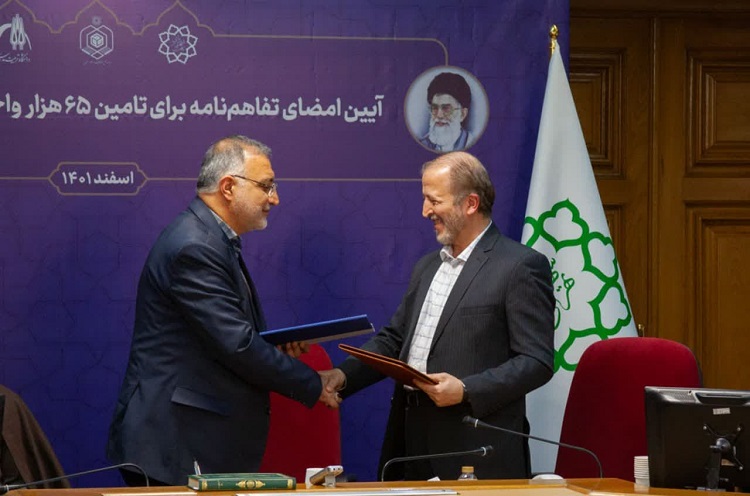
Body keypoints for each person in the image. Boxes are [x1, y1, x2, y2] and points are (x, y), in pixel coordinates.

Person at [107, 135, 339, 486]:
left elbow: (220, 337)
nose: (274, 198)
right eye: (266, 186)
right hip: (174, 446)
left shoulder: (211, 237)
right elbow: (237, 344)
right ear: (228, 187)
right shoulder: (194, 246)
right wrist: (310, 382)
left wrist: (274, 349)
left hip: (192, 441)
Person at [321, 151, 555, 480]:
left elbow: (536, 361)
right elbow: (395, 340)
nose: (425, 211)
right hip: (410, 441)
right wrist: (343, 376)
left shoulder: (520, 266)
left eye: (434, 200)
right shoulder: (427, 266)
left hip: (473, 445)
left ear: (470, 203)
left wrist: (467, 389)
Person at [419, 72, 473, 152]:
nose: (439, 115)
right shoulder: (422, 144)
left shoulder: (471, 142)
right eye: (435, 108)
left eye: (446, 109)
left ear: (462, 114)